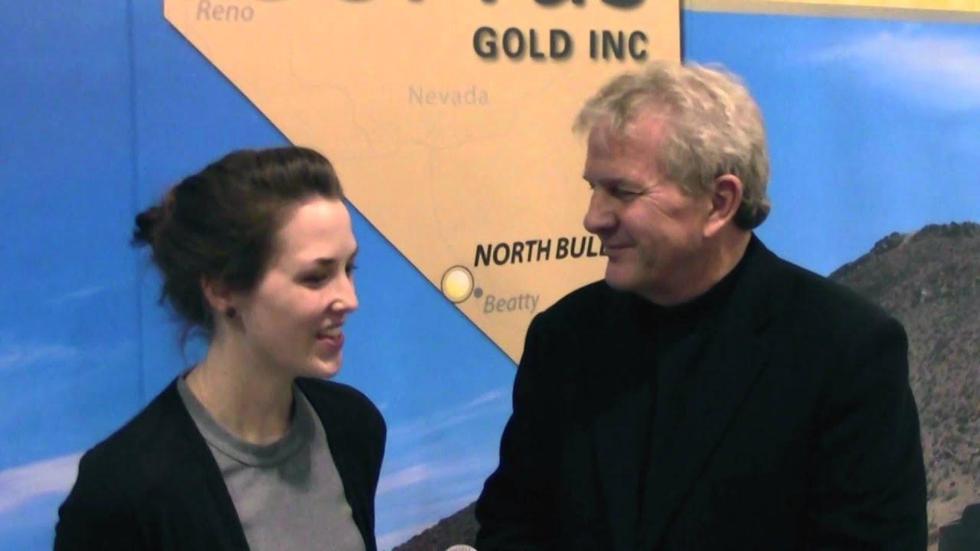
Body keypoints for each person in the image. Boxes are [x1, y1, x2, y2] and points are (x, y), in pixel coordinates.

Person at [475, 62, 927, 549]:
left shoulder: (846, 349)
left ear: (719, 202)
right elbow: (511, 526)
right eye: (593, 188)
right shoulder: (563, 338)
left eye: (621, 191)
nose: (593, 218)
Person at [55, 147, 385, 550]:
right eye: (316, 277)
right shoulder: (122, 492)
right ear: (222, 289)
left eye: (349, 269)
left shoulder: (352, 427)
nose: (350, 299)